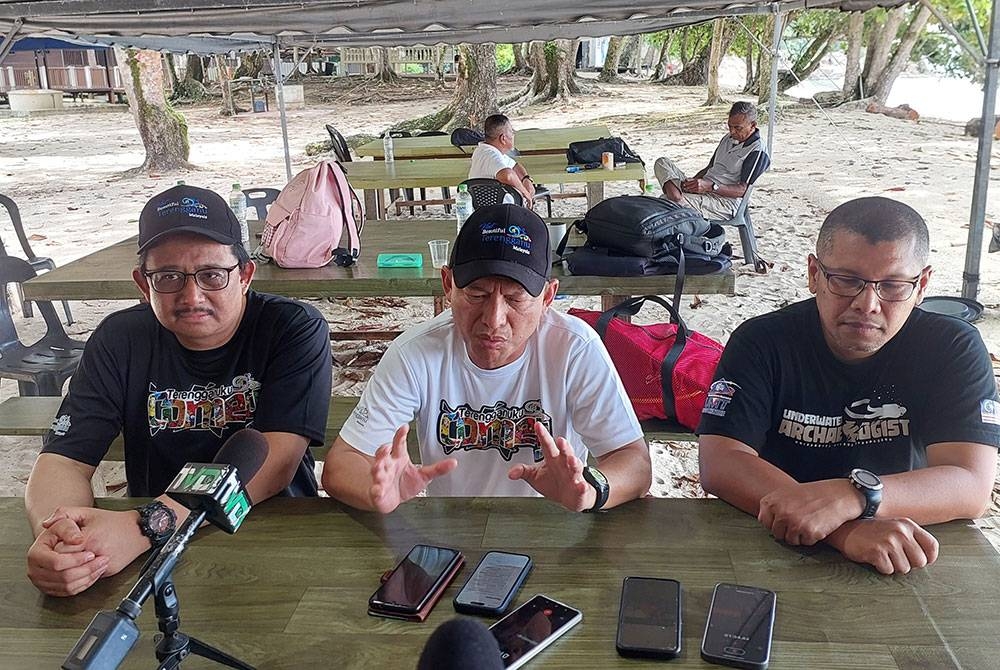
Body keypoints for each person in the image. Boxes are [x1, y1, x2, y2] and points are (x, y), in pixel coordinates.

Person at [25, 184, 332, 596]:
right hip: (149, 555)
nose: (192, 296)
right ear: (142, 284)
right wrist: (62, 539)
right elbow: (63, 460)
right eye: (168, 277)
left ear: (244, 275)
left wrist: (146, 524)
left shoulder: (292, 328)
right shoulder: (121, 339)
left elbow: (275, 465)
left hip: (272, 531)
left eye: (211, 275)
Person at [698, 196, 1000, 575]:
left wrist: (854, 496)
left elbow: (971, 484)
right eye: (846, 280)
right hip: (772, 541)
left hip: (904, 545)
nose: (868, 303)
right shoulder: (762, 341)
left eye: (892, 286)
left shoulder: (952, 346)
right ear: (813, 274)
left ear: (922, 285)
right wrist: (843, 530)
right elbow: (720, 460)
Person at [322, 204, 651, 512]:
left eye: (515, 298)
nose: (494, 319)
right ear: (448, 285)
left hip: (553, 528)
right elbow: (342, 463)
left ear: (548, 296)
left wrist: (591, 490)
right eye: (477, 295)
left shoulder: (574, 348)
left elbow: (633, 460)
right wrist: (375, 491)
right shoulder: (416, 353)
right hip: (453, 531)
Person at [654, 101, 767, 219]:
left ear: (753, 125)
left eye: (737, 128)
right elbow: (710, 167)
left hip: (724, 202)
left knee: (665, 202)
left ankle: (678, 199)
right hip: (704, 189)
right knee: (662, 162)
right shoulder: (727, 139)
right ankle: (678, 198)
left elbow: (743, 190)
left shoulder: (757, 149)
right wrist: (694, 182)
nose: (732, 132)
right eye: (730, 126)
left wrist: (711, 186)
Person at [468, 114, 536, 205]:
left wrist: (526, 179)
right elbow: (507, 175)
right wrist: (526, 193)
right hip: (501, 211)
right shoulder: (490, 155)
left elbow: (515, 166)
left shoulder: (486, 150)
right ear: (503, 138)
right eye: (511, 132)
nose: (513, 135)